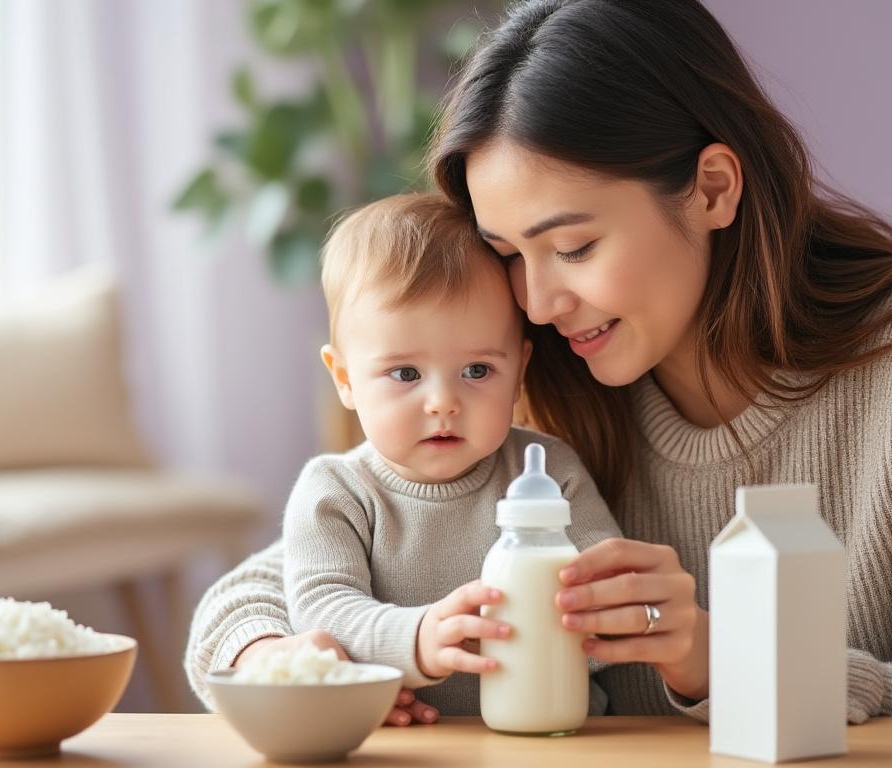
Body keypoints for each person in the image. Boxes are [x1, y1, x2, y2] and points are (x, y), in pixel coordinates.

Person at [188, 0, 892, 726]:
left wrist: (723, 656)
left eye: (574, 247)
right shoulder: (525, 370)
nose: (537, 303)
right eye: (508, 253)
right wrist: (281, 657)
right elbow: (264, 593)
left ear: (712, 187)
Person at [230, 192, 621, 718]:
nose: (443, 403)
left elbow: (602, 591)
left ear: (519, 372)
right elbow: (321, 613)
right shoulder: (337, 492)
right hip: (404, 744)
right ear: (345, 379)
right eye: (406, 374)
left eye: (478, 371)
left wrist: (589, 614)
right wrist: (417, 640)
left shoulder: (545, 473)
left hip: (550, 732)